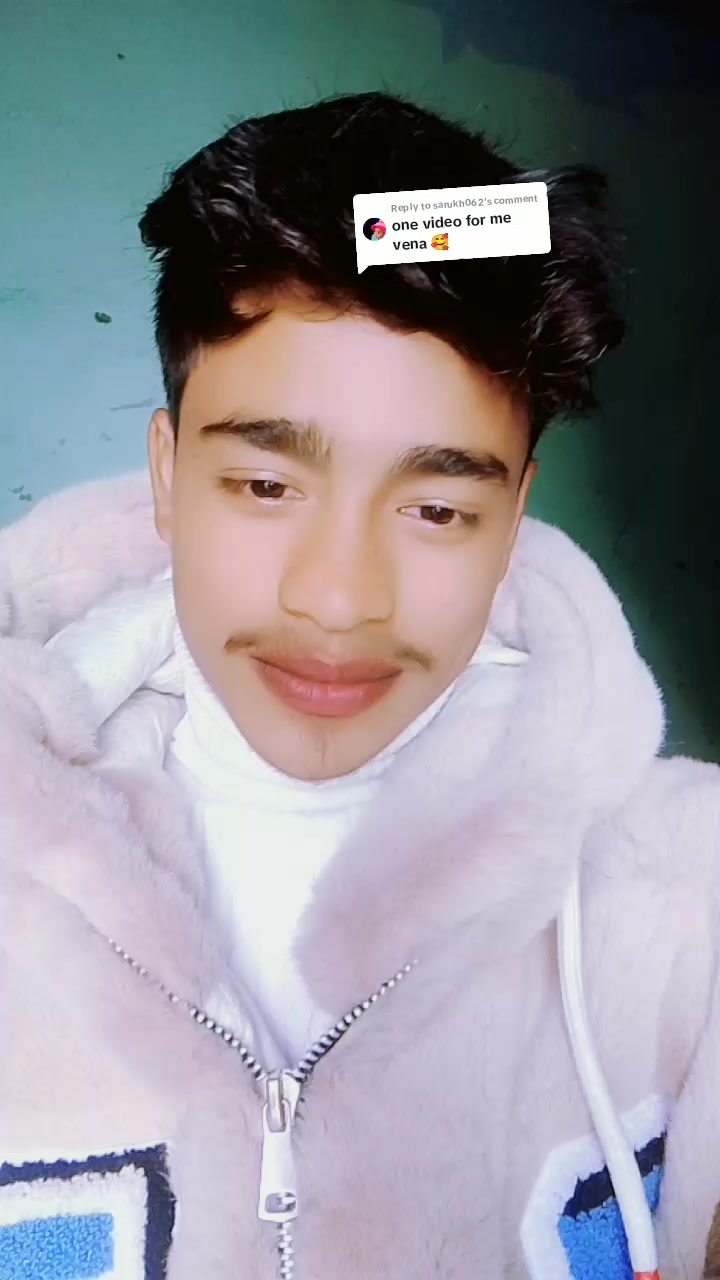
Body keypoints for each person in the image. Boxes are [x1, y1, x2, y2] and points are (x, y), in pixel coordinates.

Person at [0, 90, 718, 1280]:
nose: (339, 599)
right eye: (267, 486)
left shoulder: (690, 889)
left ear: (514, 514)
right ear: (168, 476)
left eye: (436, 508)